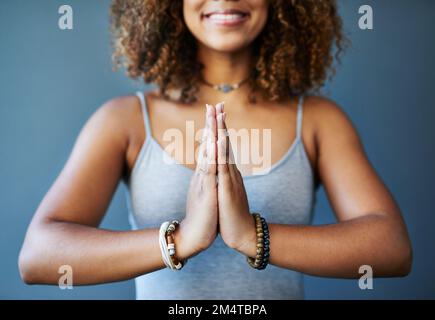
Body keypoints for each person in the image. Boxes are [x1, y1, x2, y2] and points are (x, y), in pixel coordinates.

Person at [19, 0, 412, 299]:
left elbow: (391, 249)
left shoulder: (317, 119)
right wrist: (183, 239)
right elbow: (38, 257)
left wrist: (252, 236)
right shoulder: (124, 120)